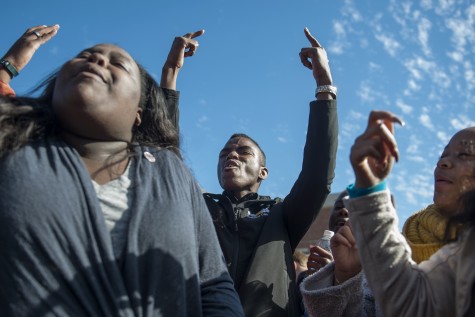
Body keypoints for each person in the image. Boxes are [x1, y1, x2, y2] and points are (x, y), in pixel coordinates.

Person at [0, 25, 243, 316]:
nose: (97, 60)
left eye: (118, 64)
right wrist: (8, 66)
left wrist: (170, 72)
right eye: (85, 56)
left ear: (138, 114)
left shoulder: (171, 171)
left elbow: (213, 285)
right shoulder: (13, 146)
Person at [203, 27, 338, 317]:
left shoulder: (281, 215)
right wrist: (169, 80)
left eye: (243, 152)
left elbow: (317, 177)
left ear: (263, 172)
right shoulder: (199, 208)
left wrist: (324, 86)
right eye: (224, 154)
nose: (232, 157)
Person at [302, 110, 475, 316]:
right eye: (443, 155)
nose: (443, 163)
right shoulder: (406, 239)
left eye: (464, 155)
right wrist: (345, 276)